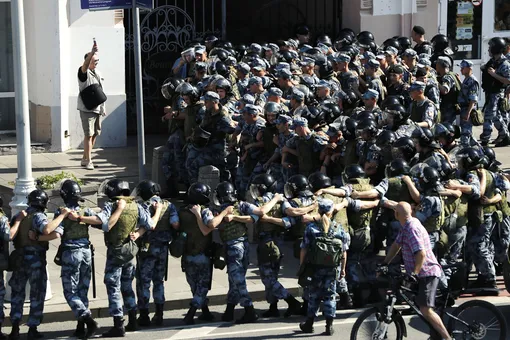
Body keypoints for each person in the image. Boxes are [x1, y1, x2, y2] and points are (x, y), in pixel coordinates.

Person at [72, 179, 162, 337]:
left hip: (115, 252)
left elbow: (104, 222)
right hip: (130, 252)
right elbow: (150, 225)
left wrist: (80, 218)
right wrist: (155, 214)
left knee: (113, 286)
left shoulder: (112, 205)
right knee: (127, 286)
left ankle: (118, 324)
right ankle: (133, 320)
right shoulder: (136, 205)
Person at [202, 181, 282, 324]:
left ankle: (249, 310)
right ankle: (229, 311)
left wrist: (229, 215)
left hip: (235, 249)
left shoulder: (224, 209)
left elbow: (213, 223)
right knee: (234, 280)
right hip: (243, 248)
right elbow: (257, 214)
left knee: (238, 280)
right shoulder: (242, 205)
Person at [382, 202, 451, 340]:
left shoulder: (412, 228)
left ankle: (447, 338)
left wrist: (414, 273)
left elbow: (421, 254)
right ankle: (436, 335)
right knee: (421, 306)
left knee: (425, 309)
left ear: (396, 214)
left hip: (427, 272)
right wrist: (384, 263)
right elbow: (396, 246)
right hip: (421, 273)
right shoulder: (406, 226)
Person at [9, 190, 64, 340]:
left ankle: (14, 328)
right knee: (37, 294)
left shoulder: (19, 215)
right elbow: (48, 230)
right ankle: (32, 328)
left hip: (19, 260)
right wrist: (60, 217)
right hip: (35, 261)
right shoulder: (39, 216)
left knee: (17, 294)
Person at [249, 174, 302, 317]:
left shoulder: (261, 202)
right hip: (277, 243)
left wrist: (269, 220)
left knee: (268, 278)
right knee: (272, 276)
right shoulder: (282, 201)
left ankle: (291, 301)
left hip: (267, 244)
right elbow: (289, 222)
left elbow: (287, 221)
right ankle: (273, 307)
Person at [298, 198, 349, 336]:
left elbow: (304, 249)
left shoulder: (311, 228)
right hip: (332, 269)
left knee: (314, 295)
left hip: (314, 268)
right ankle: (329, 326)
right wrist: (343, 269)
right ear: (332, 212)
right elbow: (344, 252)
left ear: (319, 211)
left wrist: (302, 266)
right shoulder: (339, 229)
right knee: (330, 296)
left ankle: (309, 324)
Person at [55, 180, 99, 339]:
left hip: (71, 253)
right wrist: (80, 218)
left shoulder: (62, 212)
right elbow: (101, 222)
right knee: (82, 290)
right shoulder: (85, 211)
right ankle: (80, 327)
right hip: (86, 252)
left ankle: (88, 320)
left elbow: (56, 231)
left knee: (69, 292)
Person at [132, 180, 179, 327]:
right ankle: (159, 315)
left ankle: (144, 315)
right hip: (163, 248)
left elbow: (144, 225)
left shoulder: (143, 206)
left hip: (147, 249)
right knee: (159, 281)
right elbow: (175, 224)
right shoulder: (168, 205)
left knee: (143, 282)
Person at [179, 183, 215, 324]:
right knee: (203, 286)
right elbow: (208, 228)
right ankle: (191, 313)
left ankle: (205, 312)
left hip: (187, 254)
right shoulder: (205, 212)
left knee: (195, 286)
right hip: (203, 255)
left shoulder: (181, 211)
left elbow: (175, 226)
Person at [78, 43, 105, 170]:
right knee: (88, 135)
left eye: (97, 60)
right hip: (87, 109)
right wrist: (91, 52)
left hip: (98, 109)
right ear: (88, 61)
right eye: (94, 60)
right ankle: (89, 161)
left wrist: (103, 109)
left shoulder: (97, 73)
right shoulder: (83, 73)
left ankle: (85, 158)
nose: (96, 62)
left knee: (94, 134)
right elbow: (85, 65)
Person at [457, 60, 480, 146]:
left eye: (463, 68)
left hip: (468, 108)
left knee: (465, 134)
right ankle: (475, 148)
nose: (461, 70)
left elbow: (473, 99)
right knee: (468, 132)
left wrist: (468, 113)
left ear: (469, 68)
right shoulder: (466, 79)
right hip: (464, 108)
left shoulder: (472, 81)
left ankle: (466, 150)